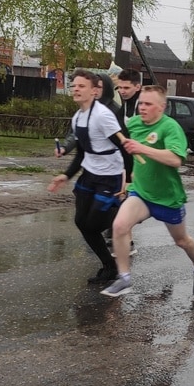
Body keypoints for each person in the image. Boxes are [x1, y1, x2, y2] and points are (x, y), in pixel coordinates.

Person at [102, 85, 194, 298]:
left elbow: (176, 160)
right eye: (141, 103)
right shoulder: (133, 124)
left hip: (168, 197)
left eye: (148, 104)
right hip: (141, 193)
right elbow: (120, 144)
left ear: (162, 107)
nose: (142, 108)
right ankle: (124, 278)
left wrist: (143, 149)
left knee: (182, 241)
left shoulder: (170, 128)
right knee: (120, 225)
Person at [48, 69, 132, 285]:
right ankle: (109, 266)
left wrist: (127, 181)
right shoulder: (78, 117)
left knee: (94, 223)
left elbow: (124, 148)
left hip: (110, 177)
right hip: (89, 175)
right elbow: (83, 152)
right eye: (74, 85)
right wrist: (66, 176)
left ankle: (124, 212)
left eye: (81, 86)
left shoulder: (103, 116)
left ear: (95, 91)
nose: (75, 89)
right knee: (81, 222)